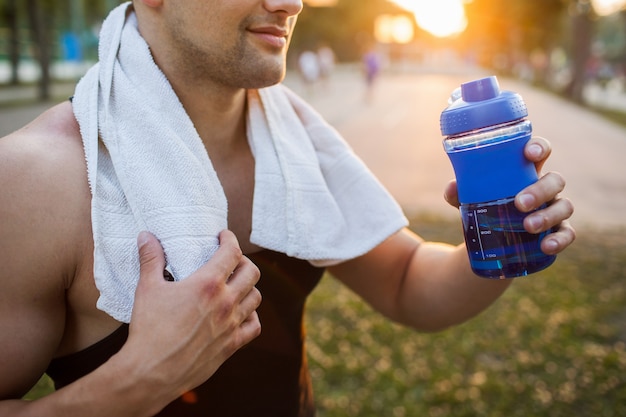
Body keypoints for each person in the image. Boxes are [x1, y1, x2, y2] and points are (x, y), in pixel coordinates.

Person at [0, 1, 575, 416]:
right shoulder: (41, 178)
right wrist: (135, 382)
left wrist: (504, 238)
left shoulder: (293, 136)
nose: (291, 4)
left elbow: (406, 285)